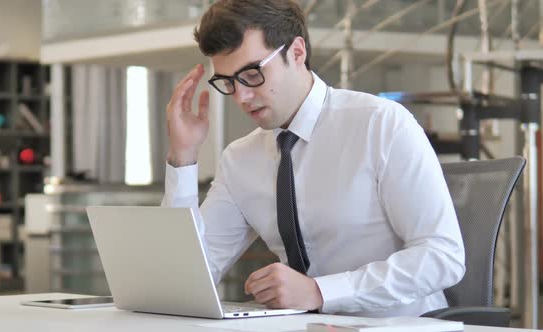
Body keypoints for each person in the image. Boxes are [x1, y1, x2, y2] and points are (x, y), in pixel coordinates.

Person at [161, 0, 465, 317]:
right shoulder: (241, 159)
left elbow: (442, 257)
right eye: (228, 82)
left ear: (297, 52)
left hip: (397, 325)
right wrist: (183, 155)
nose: (241, 96)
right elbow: (185, 280)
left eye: (251, 74)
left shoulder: (380, 124)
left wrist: (321, 292)